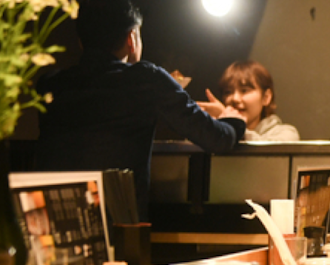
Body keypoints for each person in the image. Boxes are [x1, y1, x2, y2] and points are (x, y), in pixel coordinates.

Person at [35, 0, 247, 221]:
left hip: (53, 220)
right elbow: (216, 138)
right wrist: (233, 120)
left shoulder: (51, 84)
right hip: (117, 225)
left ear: (81, 42)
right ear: (131, 38)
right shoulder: (145, 79)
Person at [200, 61, 299, 142]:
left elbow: (266, 153)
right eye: (228, 92)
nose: (235, 99)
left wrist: (233, 124)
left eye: (244, 90)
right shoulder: (219, 136)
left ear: (266, 97)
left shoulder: (286, 133)